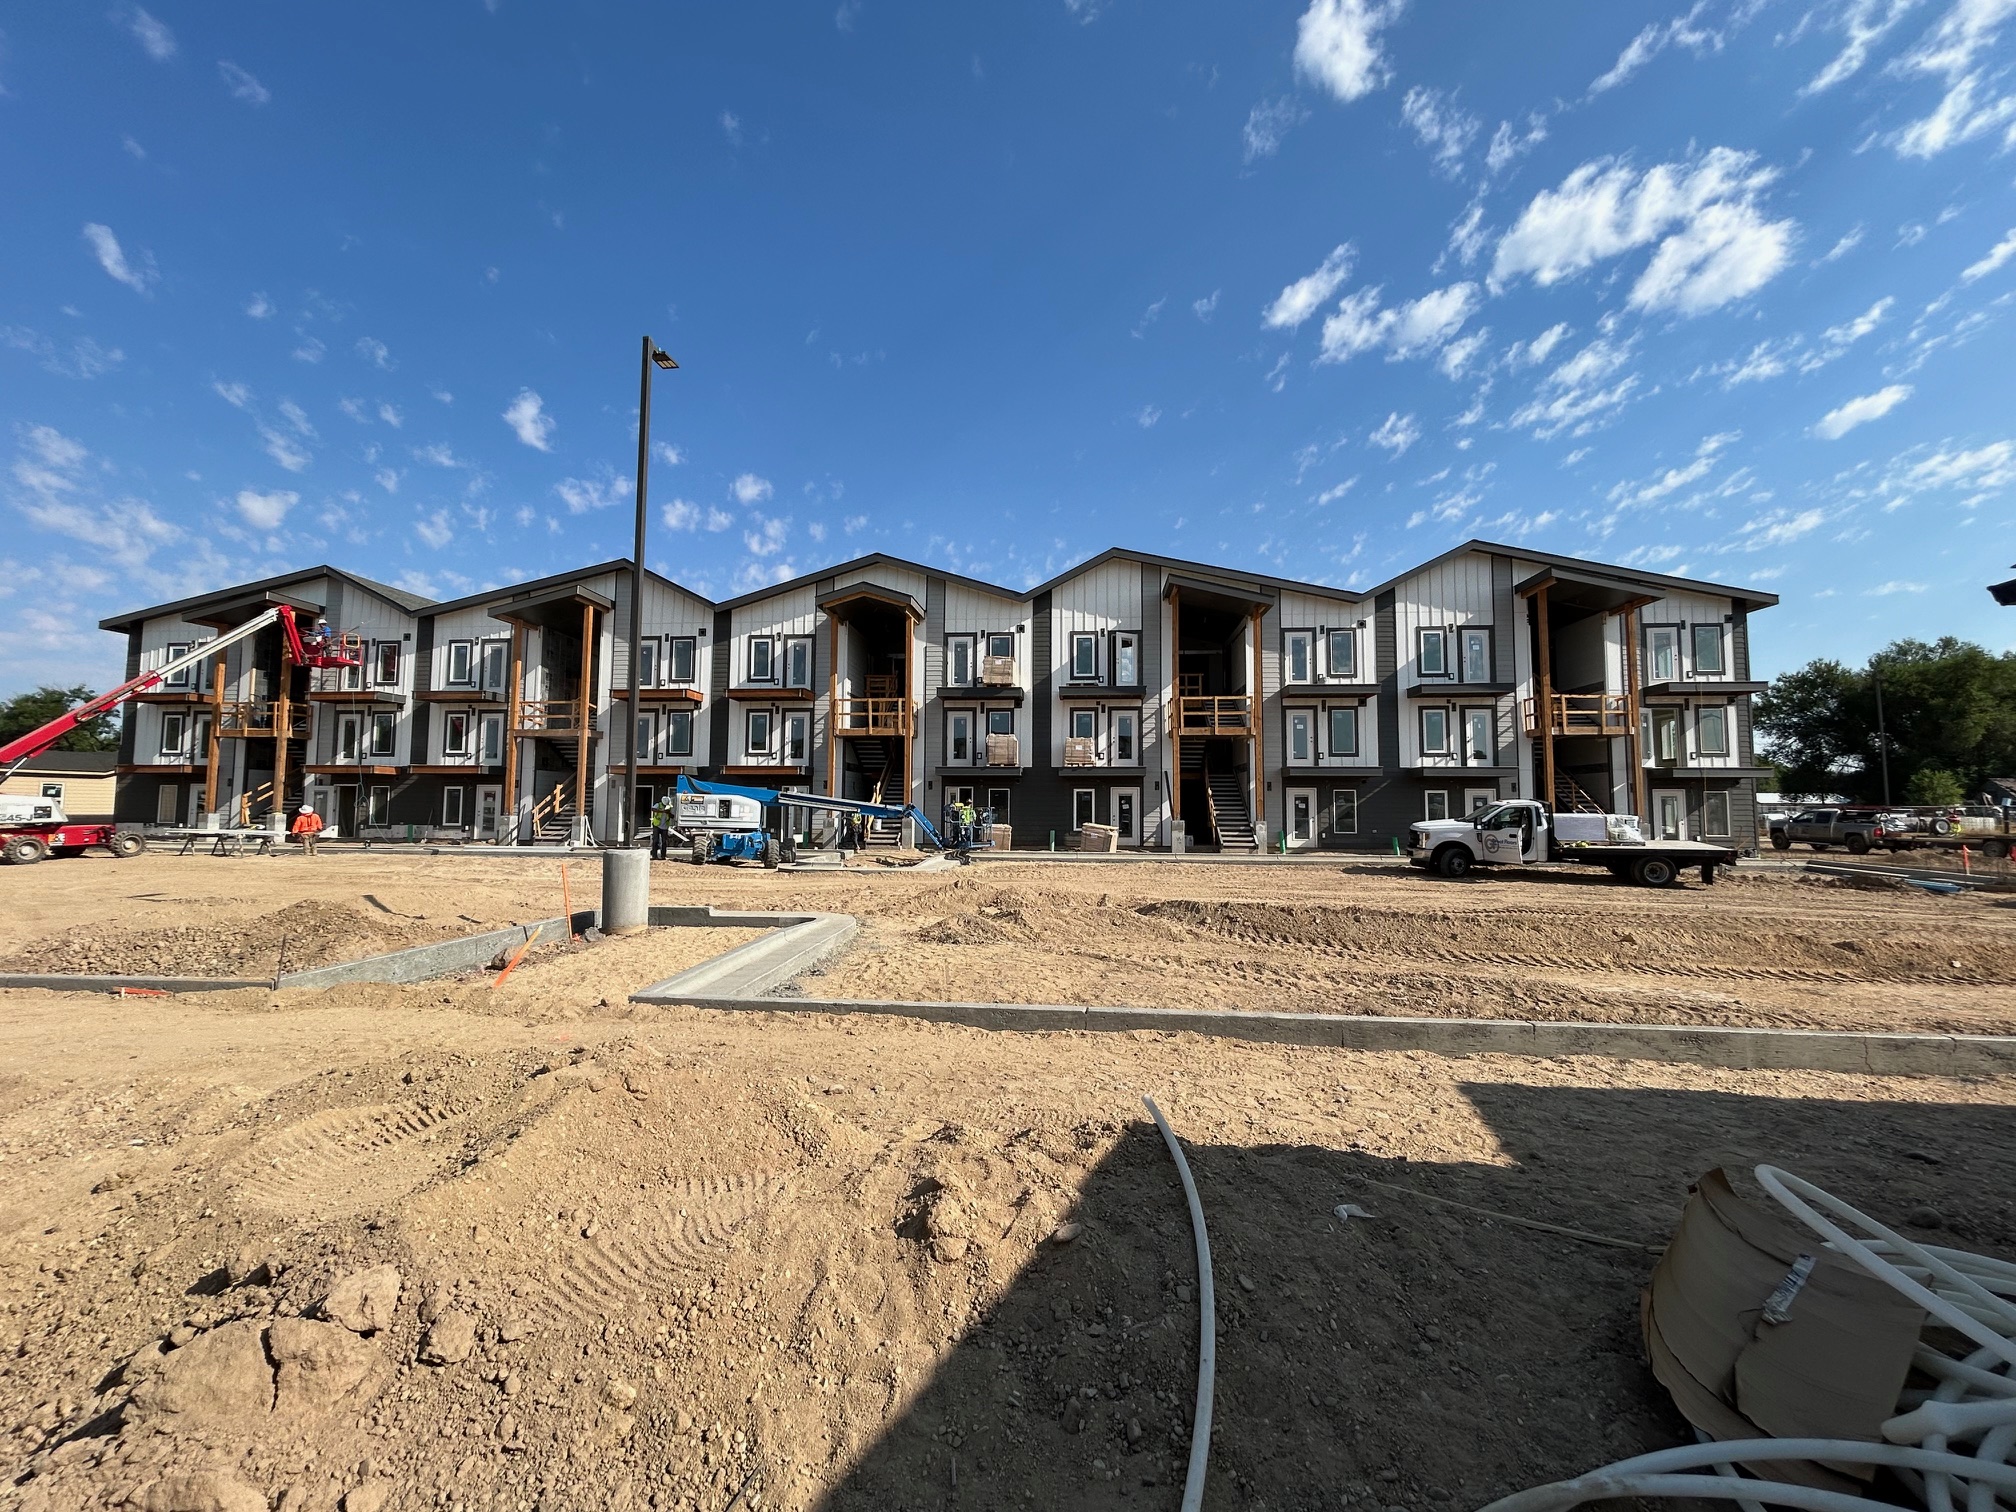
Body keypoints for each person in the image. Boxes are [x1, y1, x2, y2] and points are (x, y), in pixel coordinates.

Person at [649, 794, 674, 860]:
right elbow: (653, 809)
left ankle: (663, 856)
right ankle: (654, 855)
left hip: (665, 826)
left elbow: (672, 816)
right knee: (655, 841)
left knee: (664, 842)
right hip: (657, 825)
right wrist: (662, 811)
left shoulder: (669, 807)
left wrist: (668, 813)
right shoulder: (658, 805)